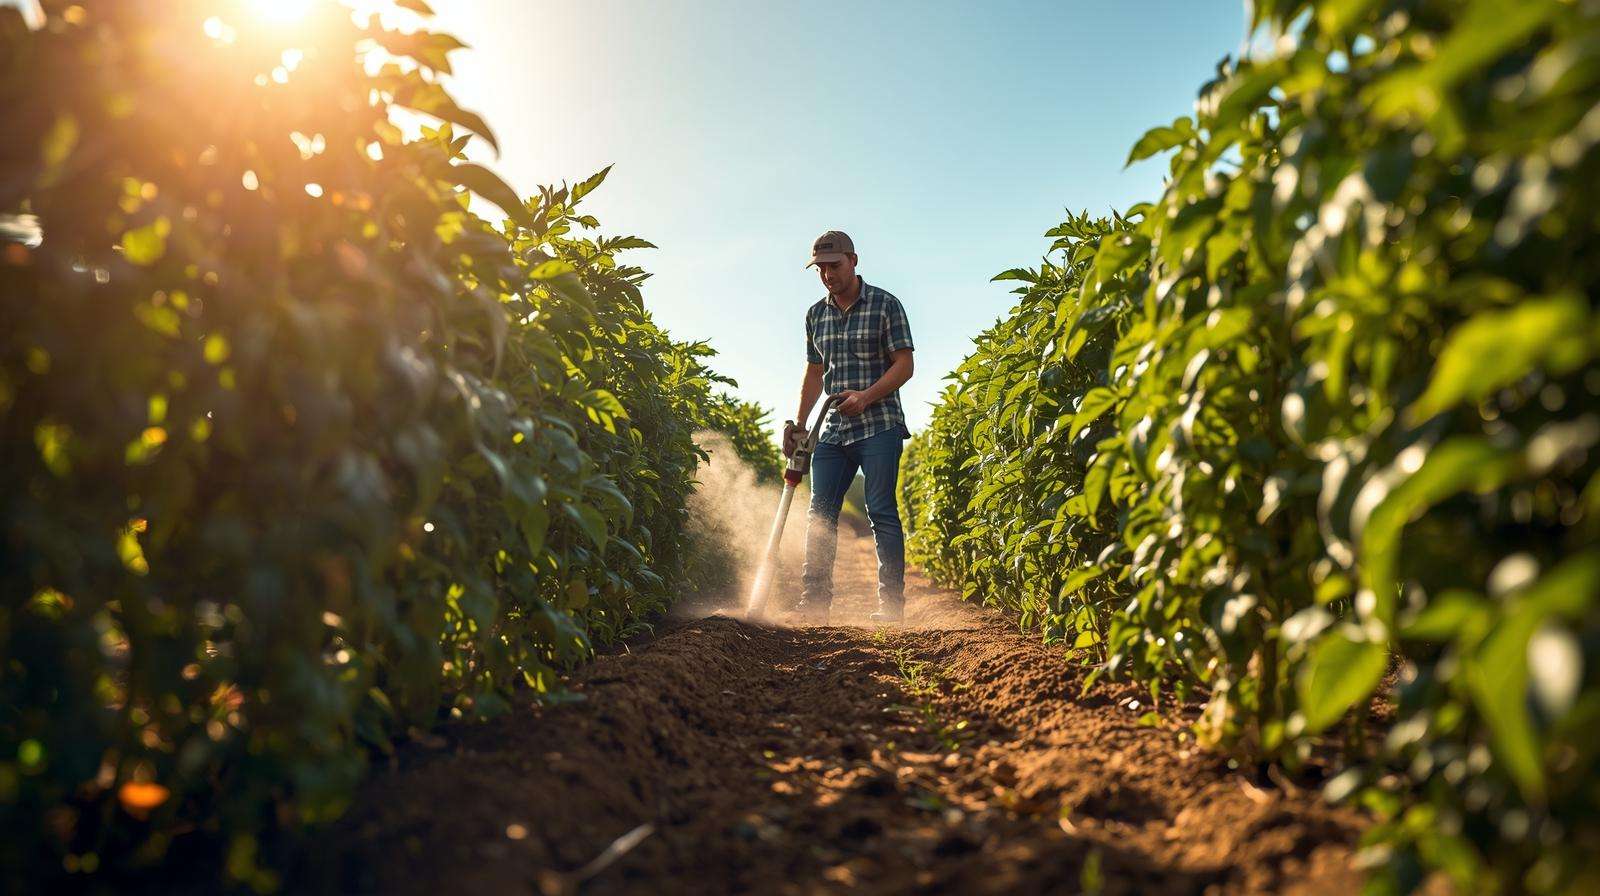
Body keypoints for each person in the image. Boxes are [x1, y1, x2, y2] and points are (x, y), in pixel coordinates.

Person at [784, 230, 915, 624]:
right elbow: (814, 371)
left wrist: (867, 396)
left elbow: (905, 365)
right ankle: (815, 603)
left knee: (881, 510)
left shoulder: (885, 305)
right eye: (820, 268)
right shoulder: (814, 315)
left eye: (834, 266)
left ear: (853, 260)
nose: (827, 275)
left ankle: (891, 607)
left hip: (880, 425)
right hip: (833, 431)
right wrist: (800, 424)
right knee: (820, 513)